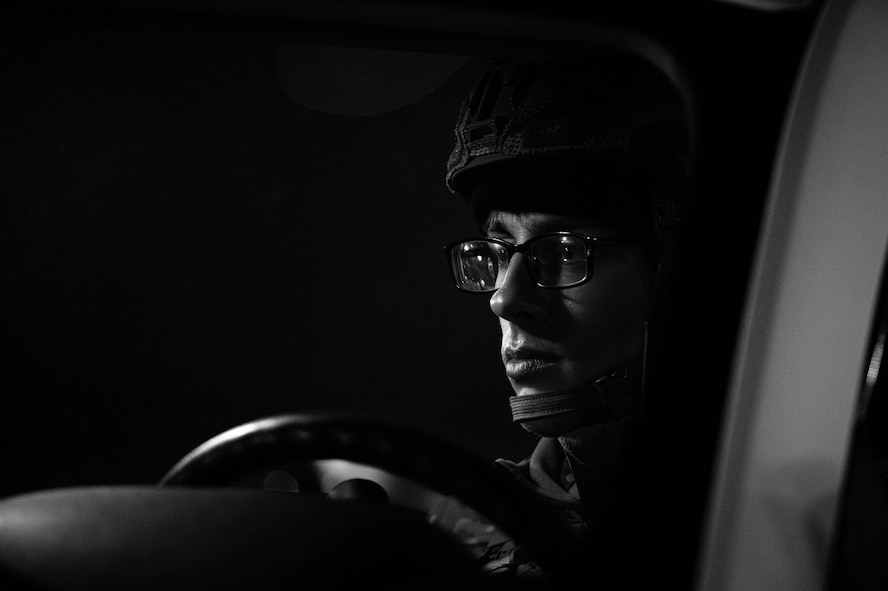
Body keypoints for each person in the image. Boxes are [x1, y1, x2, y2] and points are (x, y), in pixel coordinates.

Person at [437, 51, 690, 584]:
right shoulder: (480, 520)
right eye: (498, 252)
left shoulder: (781, 501)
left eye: (563, 251)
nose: (504, 300)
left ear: (672, 272)